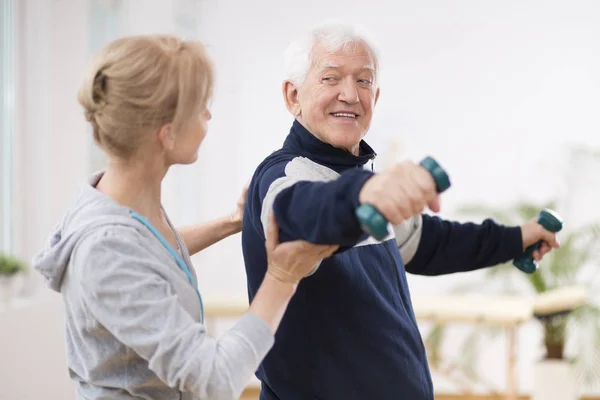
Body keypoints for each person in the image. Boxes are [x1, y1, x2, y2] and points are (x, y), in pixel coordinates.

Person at [241, 21, 560, 400]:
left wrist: (513, 239)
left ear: (375, 97)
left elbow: (429, 242)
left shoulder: (358, 173)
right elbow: (305, 214)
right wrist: (365, 195)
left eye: (363, 81)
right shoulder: (283, 177)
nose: (350, 94)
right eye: (331, 78)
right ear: (293, 96)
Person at [32, 34, 338, 400]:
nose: (208, 115)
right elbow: (214, 380)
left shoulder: (116, 200)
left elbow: (148, 250)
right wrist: (282, 277)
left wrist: (232, 220)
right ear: (167, 133)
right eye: (200, 107)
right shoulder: (105, 250)